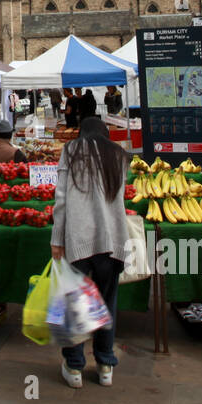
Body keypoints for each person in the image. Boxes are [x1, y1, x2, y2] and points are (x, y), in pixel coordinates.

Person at [50, 117, 128, 389]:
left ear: (81, 133)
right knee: (107, 303)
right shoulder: (119, 154)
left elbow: (61, 199)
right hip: (112, 239)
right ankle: (105, 365)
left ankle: (74, 367)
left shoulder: (70, 151)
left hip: (78, 239)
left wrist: (56, 239)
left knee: (73, 304)